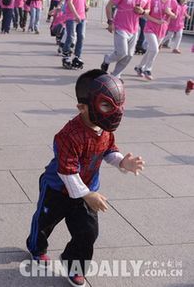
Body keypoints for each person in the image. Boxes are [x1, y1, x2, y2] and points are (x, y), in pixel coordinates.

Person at [26, 69, 144, 287]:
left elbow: (109, 151)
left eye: (118, 105)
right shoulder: (68, 136)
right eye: (106, 105)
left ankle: (73, 263)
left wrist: (122, 162)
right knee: (44, 223)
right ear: (82, 107)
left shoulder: (105, 129)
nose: (114, 112)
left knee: (88, 232)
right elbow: (67, 171)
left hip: (87, 190)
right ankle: (36, 247)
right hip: (57, 189)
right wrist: (88, 194)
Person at [101, 0, 152, 78]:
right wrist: (110, 22)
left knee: (129, 55)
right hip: (120, 26)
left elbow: (148, 10)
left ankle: (115, 75)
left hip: (134, 29)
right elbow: (109, 6)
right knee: (122, 52)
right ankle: (107, 59)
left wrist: (142, 11)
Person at [134, 0, 176, 80]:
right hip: (150, 28)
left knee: (150, 50)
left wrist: (170, 13)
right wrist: (157, 20)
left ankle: (139, 67)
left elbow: (175, 16)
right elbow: (145, 15)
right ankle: (147, 69)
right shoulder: (153, 0)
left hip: (162, 30)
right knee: (155, 49)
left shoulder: (172, 2)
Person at [62, 0, 88, 70]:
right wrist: (76, 15)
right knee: (71, 36)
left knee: (81, 36)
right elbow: (69, 2)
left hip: (82, 17)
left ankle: (77, 56)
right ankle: (66, 55)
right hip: (72, 16)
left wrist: (86, 6)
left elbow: (83, 0)